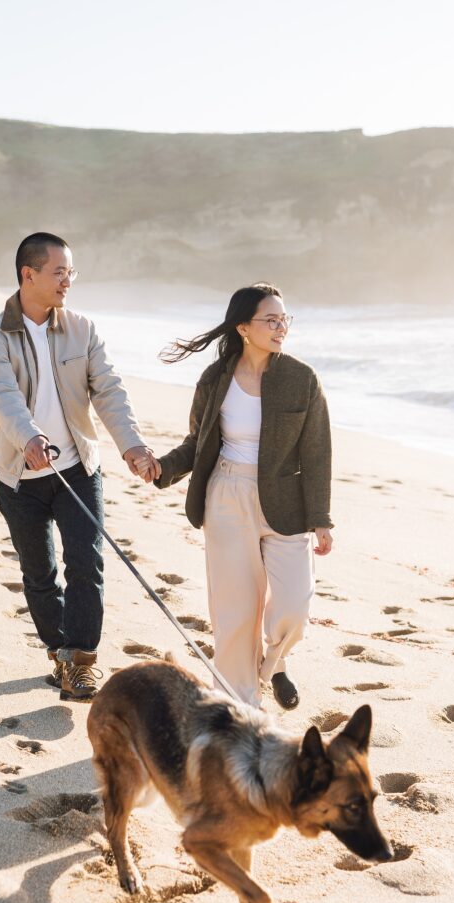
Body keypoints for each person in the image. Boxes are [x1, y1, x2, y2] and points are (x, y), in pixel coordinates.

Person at [0, 232, 157, 702]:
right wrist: (28, 437)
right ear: (28, 275)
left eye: (71, 272)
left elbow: (109, 390)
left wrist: (132, 446)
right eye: (59, 272)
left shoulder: (82, 329)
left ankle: (81, 661)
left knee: (87, 564)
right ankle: (59, 652)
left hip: (77, 469)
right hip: (21, 477)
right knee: (39, 574)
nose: (67, 282)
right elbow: (1, 395)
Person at [139, 283, 333, 710]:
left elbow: (317, 452)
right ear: (244, 327)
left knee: (294, 607)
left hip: (286, 503)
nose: (281, 327)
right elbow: (198, 442)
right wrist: (163, 467)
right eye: (271, 319)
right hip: (226, 496)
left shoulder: (302, 379)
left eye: (285, 319)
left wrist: (321, 517)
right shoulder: (216, 379)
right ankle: (241, 705)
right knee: (235, 614)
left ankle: (273, 665)